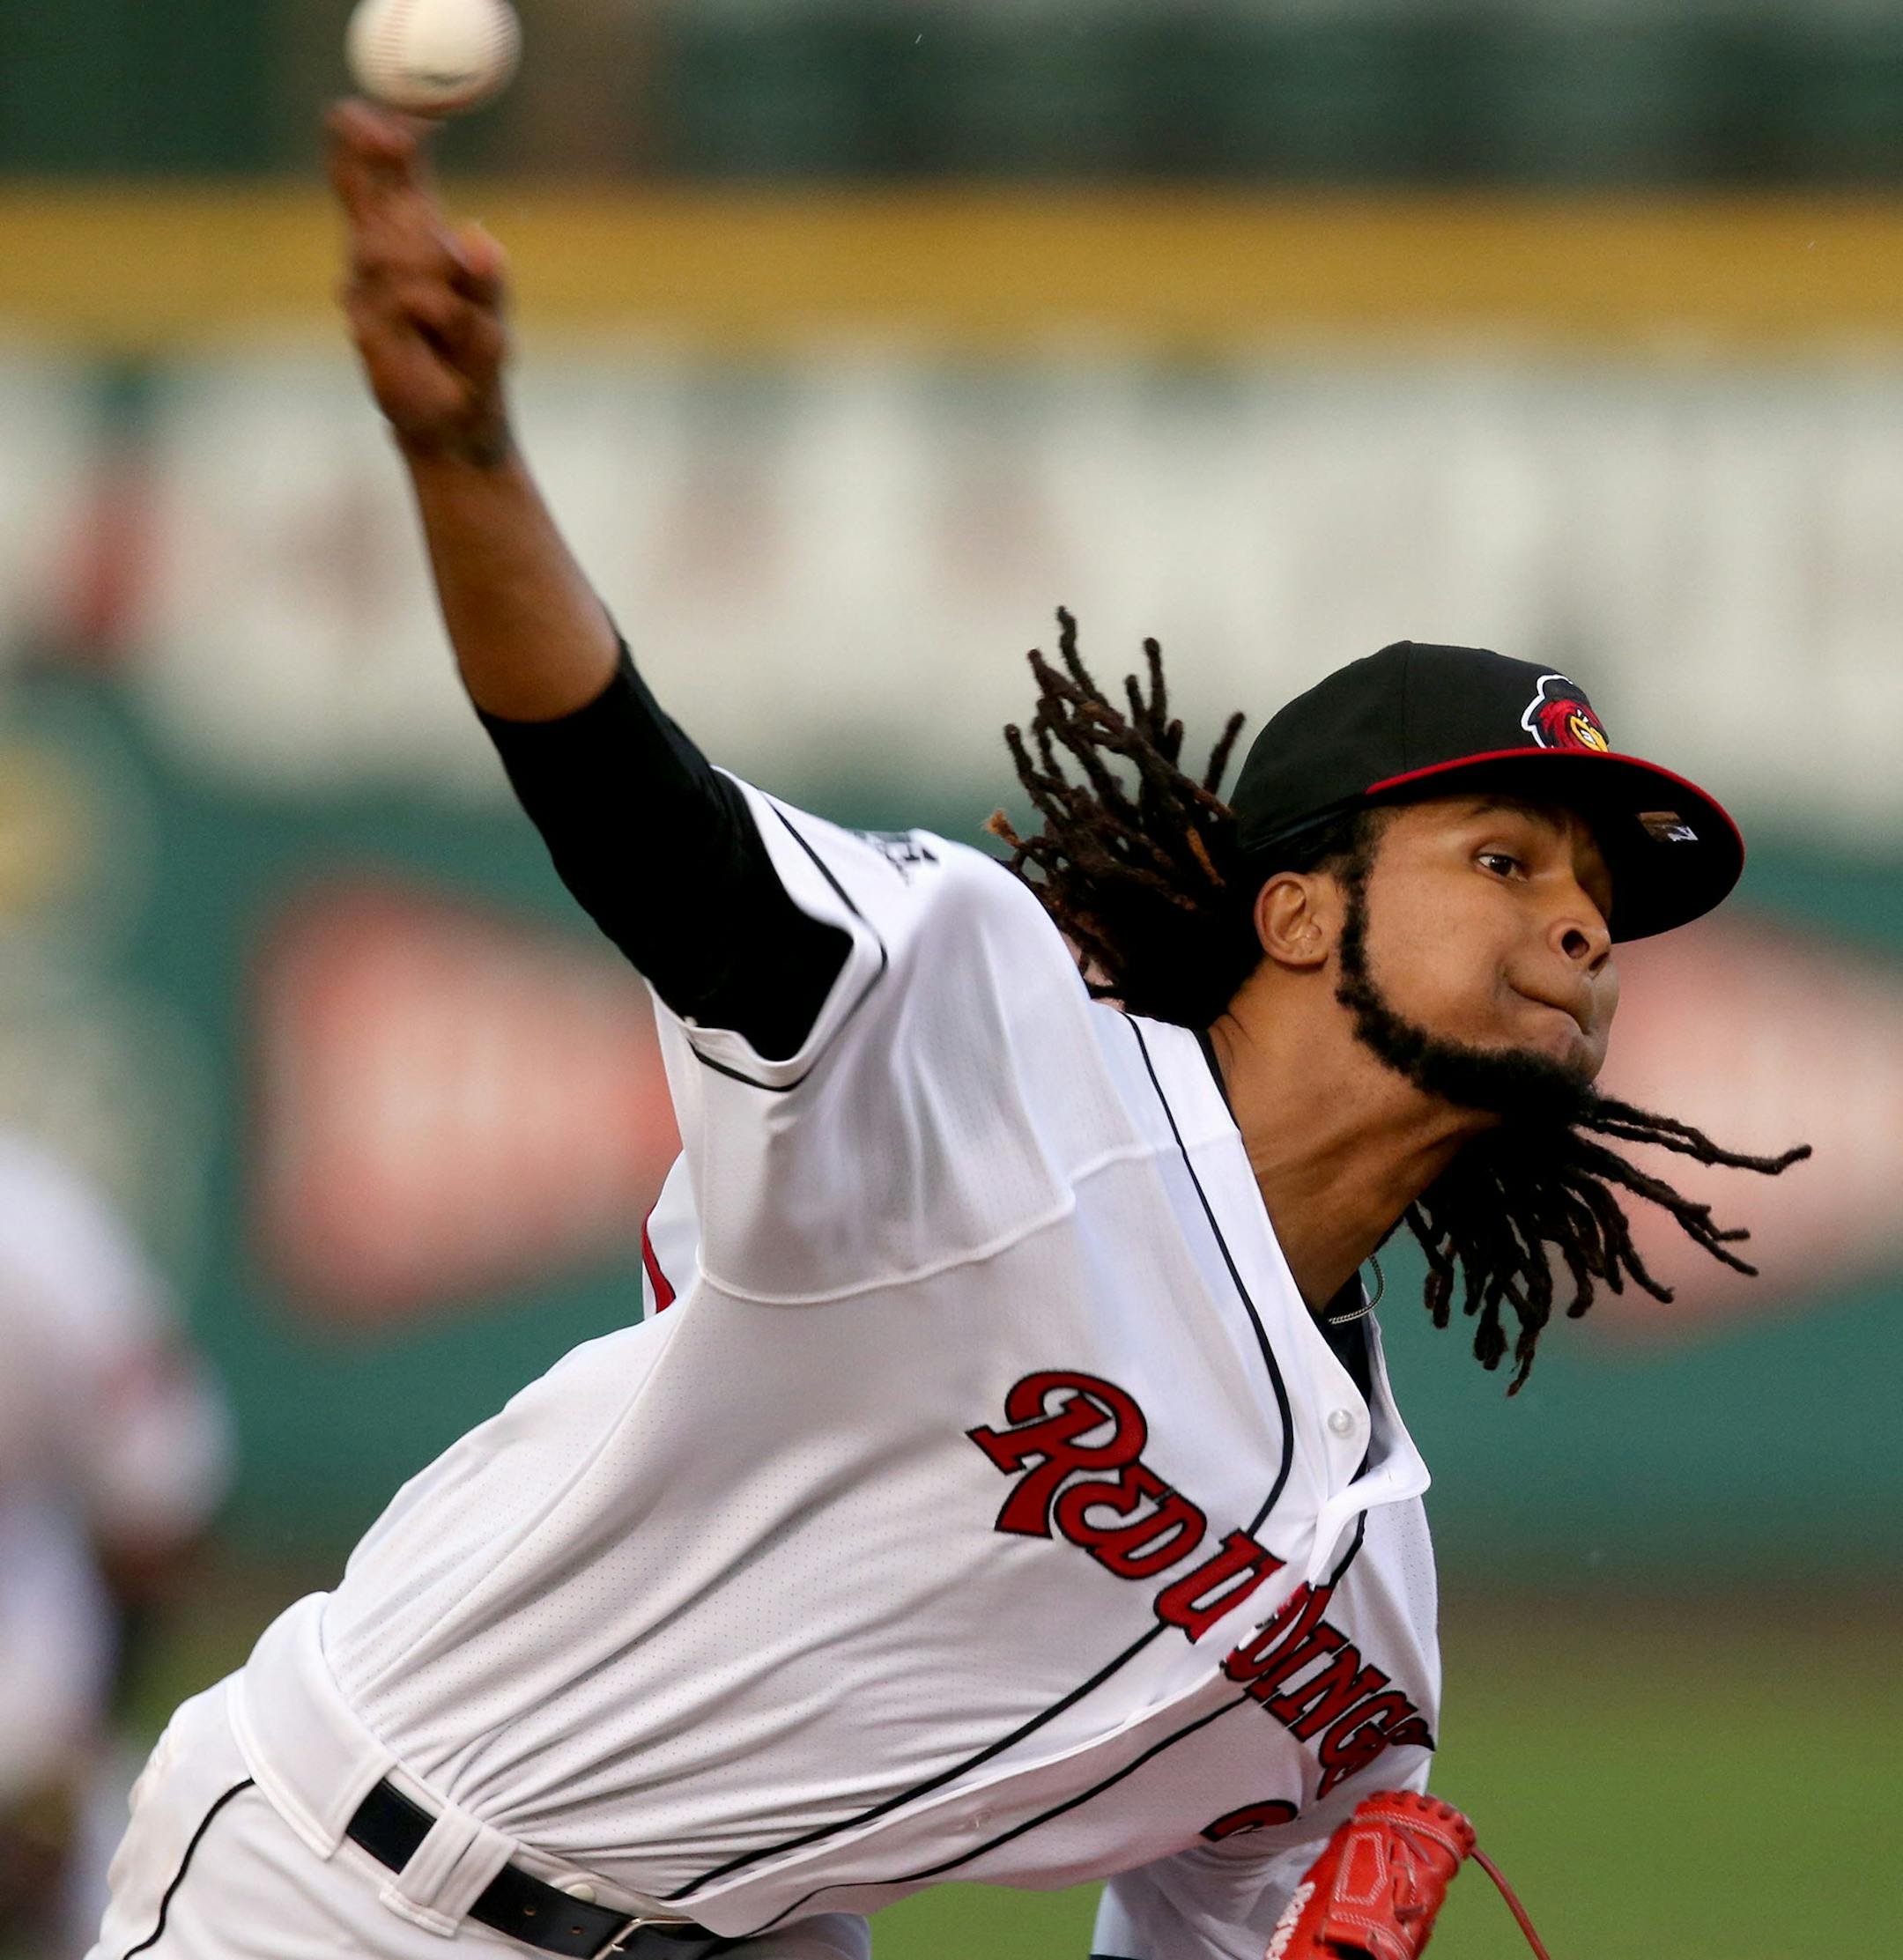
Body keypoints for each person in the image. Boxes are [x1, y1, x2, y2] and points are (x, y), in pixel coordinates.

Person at [85, 101, 1807, 1960]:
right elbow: (633, 808)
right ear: (1299, 909)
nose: (1577, 917)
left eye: (1603, 902)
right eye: (1503, 853)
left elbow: (1215, 1927)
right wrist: (468, 455)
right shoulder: (990, 1051)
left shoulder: (1371, 1626)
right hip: (351, 1880)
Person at [0, 1130, 230, 1960]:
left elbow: (157, 1494)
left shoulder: (36, 1236)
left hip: (18, 1578)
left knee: (94, 1838)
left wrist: (91, 1725)